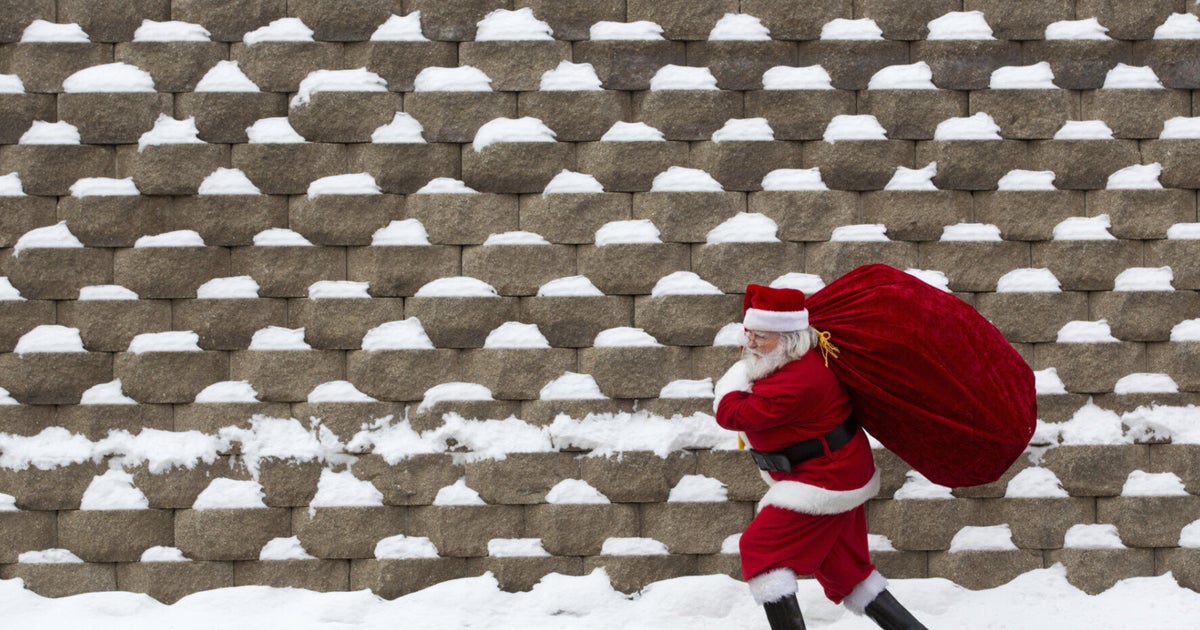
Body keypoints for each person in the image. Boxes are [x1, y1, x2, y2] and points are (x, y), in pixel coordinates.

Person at [713, 284, 927, 630]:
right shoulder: (786, 361)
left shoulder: (798, 382)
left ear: (788, 339)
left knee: (761, 549)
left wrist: (731, 384)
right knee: (847, 571)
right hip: (835, 469)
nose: (749, 343)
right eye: (749, 333)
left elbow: (732, 414)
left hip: (826, 478)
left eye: (761, 337)